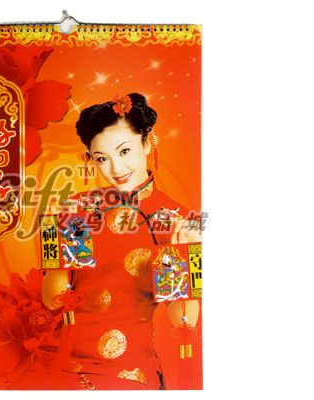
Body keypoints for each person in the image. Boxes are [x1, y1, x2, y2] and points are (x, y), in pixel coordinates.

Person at [41, 93, 202, 389]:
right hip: (63, 363)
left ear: (147, 142)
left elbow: (183, 322)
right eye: (102, 158)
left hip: (129, 371)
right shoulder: (78, 208)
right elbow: (54, 300)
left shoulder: (176, 220)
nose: (116, 169)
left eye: (125, 151)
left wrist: (185, 256)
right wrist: (53, 237)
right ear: (90, 159)